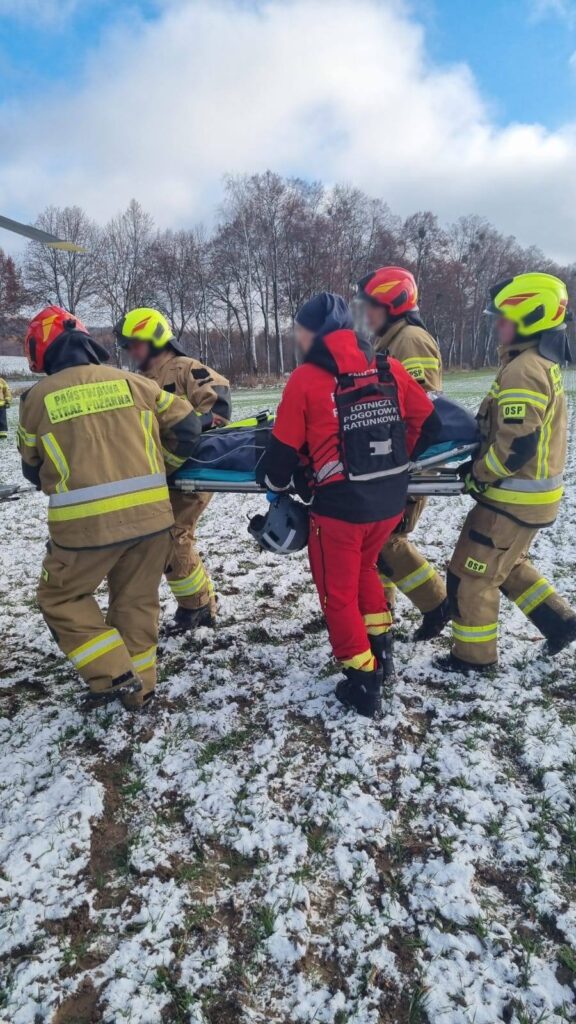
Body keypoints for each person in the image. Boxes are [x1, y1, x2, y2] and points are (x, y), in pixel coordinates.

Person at [260, 292, 439, 718]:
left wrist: (273, 484)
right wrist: (398, 463)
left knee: (336, 597)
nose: (298, 340)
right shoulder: (387, 367)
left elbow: (281, 455)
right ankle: (382, 652)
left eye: (300, 332)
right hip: (388, 504)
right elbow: (429, 423)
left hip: (340, 512)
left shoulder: (306, 379)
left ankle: (362, 680)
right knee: (364, 570)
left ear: (314, 333)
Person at [18, 306, 201, 710]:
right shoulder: (136, 383)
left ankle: (113, 674)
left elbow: (31, 467)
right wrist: (164, 468)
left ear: (40, 350)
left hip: (83, 530)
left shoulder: (35, 399)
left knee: (60, 599)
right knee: (135, 603)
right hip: (152, 521)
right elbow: (188, 426)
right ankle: (140, 692)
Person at [436, 272, 576, 675]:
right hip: (528, 499)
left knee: (472, 575)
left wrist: (478, 473)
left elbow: (515, 447)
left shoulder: (523, 370)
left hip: (512, 499)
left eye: (504, 317)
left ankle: (473, 660)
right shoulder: (535, 362)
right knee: (508, 565)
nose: (497, 324)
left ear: (531, 318)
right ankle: (560, 623)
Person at [114, 309, 232, 634]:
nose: (131, 352)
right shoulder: (139, 380)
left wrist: (192, 425)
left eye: (134, 344)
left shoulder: (185, 368)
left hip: (192, 473)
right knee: (162, 540)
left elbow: (219, 403)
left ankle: (198, 608)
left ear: (154, 338)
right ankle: (196, 604)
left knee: (174, 537)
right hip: (160, 474)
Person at [356, 267, 448, 641]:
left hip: (409, 462)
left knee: (385, 541)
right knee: (377, 542)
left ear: (392, 304)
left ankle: (437, 603)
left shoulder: (410, 341)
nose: (366, 314)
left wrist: (398, 461)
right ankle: (382, 611)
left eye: (371, 306)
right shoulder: (392, 341)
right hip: (393, 460)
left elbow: (420, 409)